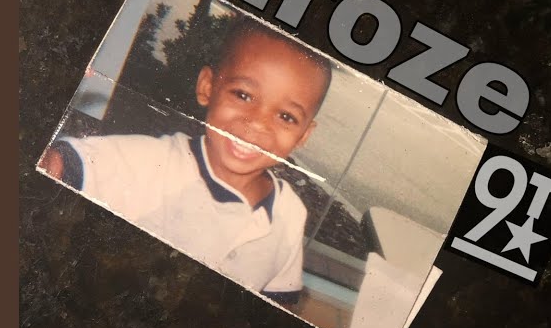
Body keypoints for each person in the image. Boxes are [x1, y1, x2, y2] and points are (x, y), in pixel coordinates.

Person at [38, 18, 332, 307]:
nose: (257, 124)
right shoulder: (153, 162)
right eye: (243, 95)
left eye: (286, 117)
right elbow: (64, 164)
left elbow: (278, 302)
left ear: (304, 135)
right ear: (207, 87)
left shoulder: (292, 213)